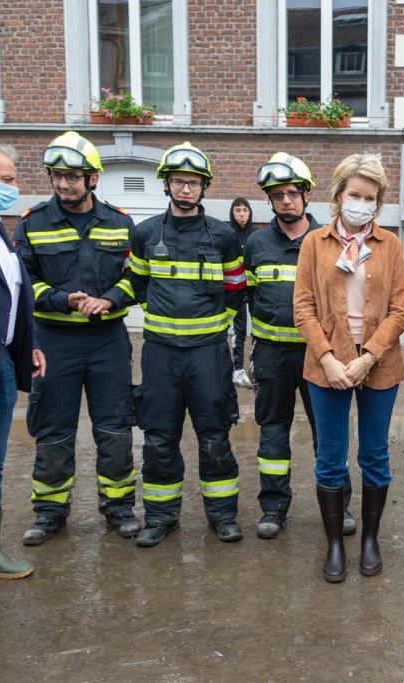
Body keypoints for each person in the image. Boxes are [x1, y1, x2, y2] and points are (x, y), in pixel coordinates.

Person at [13, 132, 138, 545]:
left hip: (108, 341)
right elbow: (21, 281)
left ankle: (119, 508)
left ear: (93, 179)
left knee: (115, 428)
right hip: (54, 341)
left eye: (72, 176)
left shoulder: (120, 223)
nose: (64, 184)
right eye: (57, 176)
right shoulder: (32, 224)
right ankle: (49, 513)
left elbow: (136, 276)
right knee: (54, 428)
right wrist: (61, 299)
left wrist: (110, 299)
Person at [293, 153, 404, 583]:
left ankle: (371, 539)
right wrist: (327, 357)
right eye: (355, 195)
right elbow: (302, 306)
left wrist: (367, 357)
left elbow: (400, 310)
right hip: (326, 366)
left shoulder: (390, 245)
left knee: (375, 455)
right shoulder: (314, 243)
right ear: (339, 195)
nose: (362, 204)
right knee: (330, 458)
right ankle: (335, 544)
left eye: (371, 198)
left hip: (377, 364)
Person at [129, 142, 246, 547]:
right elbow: (138, 285)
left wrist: (212, 329)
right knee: (159, 437)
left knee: (214, 436)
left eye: (192, 183)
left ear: (203, 187)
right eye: (178, 182)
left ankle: (223, 516)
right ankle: (161, 517)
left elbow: (235, 290)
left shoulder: (224, 236)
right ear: (167, 185)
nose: (185, 190)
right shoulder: (144, 234)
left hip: (208, 353)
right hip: (160, 353)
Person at [247, 152, 354, 539]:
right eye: (278, 195)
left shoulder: (330, 241)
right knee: (273, 432)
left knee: (329, 435)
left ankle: (339, 505)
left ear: (307, 196)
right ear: (270, 200)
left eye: (293, 193)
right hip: (272, 357)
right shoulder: (256, 244)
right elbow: (246, 298)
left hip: (320, 357)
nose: (286, 201)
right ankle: (273, 508)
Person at [0, 145, 46, 578]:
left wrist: (24, 344)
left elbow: (12, 298)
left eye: (11, 179)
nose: (10, 188)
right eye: (5, 179)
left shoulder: (4, 232)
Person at [228, 197, 255, 388]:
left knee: (258, 329)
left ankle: (255, 365)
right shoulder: (228, 235)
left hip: (254, 290)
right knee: (239, 331)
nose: (242, 214)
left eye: (244, 210)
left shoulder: (255, 236)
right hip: (235, 291)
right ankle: (238, 369)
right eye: (238, 210)